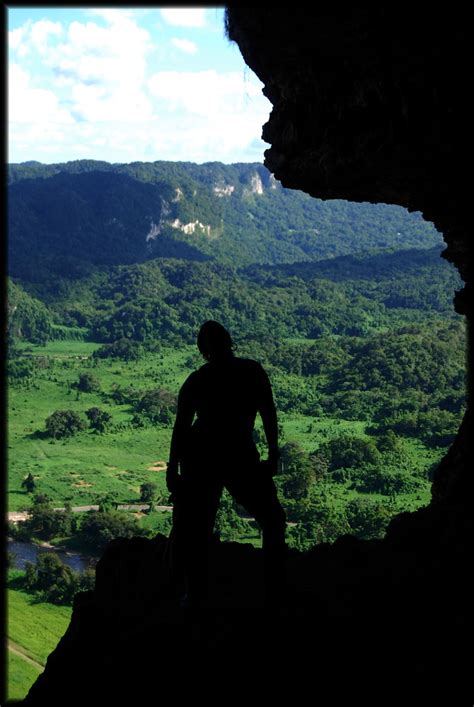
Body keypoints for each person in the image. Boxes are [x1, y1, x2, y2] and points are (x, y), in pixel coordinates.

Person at [166, 320, 287, 607]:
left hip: (201, 458)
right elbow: (268, 413)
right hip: (238, 455)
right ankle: (272, 587)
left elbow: (181, 428)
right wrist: (273, 453)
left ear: (203, 350)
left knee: (195, 529)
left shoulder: (198, 380)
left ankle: (192, 594)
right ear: (228, 342)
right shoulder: (251, 372)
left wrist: (173, 468)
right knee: (273, 520)